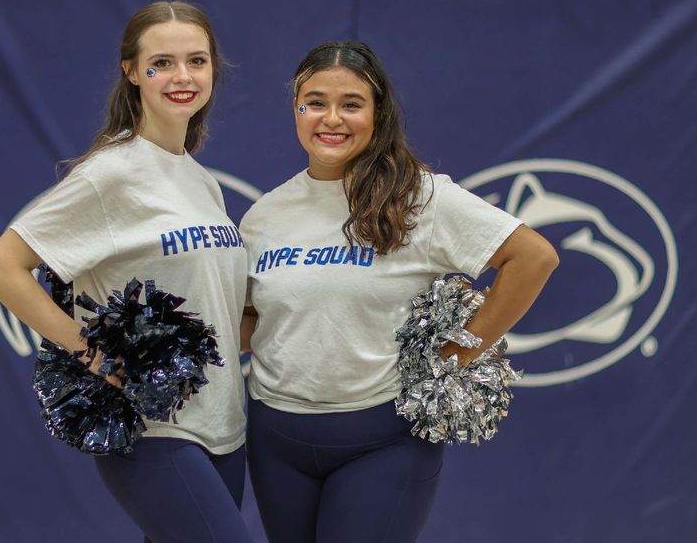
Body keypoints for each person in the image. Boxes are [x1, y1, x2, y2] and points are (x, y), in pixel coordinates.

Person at [239, 40, 559, 543]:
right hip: (276, 438)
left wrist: (458, 353)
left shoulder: (420, 197)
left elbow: (534, 258)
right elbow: (255, 323)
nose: (332, 118)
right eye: (315, 102)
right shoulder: (264, 215)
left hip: (382, 440)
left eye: (351, 104)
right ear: (296, 109)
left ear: (377, 112)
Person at [0, 1, 252, 543]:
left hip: (225, 427)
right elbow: (0, 269)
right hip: (155, 430)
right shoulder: (110, 174)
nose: (182, 77)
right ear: (131, 71)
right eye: (162, 63)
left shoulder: (201, 181)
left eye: (196, 61)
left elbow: (215, 311)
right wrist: (92, 354)